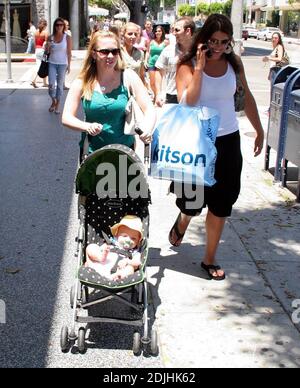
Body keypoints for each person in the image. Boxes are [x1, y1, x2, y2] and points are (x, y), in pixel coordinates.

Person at [170, 14, 264, 280]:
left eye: (224, 42)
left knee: (221, 204)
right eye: (213, 41)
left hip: (228, 140)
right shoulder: (186, 65)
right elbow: (187, 103)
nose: (219, 47)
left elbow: (247, 98)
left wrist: (259, 129)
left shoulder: (233, 63)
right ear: (203, 39)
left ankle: (209, 259)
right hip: (197, 142)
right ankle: (184, 218)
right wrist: (199, 69)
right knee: (192, 203)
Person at [62, 31, 155, 158]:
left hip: (124, 153)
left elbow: (149, 109)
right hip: (91, 154)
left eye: (115, 51)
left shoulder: (128, 76)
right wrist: (87, 126)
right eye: (104, 52)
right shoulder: (82, 82)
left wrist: (147, 128)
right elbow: (66, 117)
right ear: (94, 54)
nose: (110, 56)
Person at [85, 215, 143, 280]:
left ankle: (116, 277)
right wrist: (101, 251)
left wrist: (128, 262)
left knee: (130, 269)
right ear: (117, 235)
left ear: (138, 241)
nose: (128, 240)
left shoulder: (134, 252)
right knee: (91, 247)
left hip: (117, 271)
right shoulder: (111, 243)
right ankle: (100, 258)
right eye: (124, 236)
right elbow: (100, 249)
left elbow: (138, 262)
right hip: (100, 265)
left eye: (133, 238)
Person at [155, 17, 195, 106]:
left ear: (188, 31)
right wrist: (158, 93)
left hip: (194, 98)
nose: (173, 33)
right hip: (171, 98)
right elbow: (159, 71)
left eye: (177, 30)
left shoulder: (200, 52)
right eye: (173, 30)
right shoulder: (168, 50)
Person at [45, 17, 72, 114]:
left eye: (61, 25)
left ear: (64, 26)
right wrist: (47, 48)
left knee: (60, 86)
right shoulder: (50, 37)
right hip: (52, 63)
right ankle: (54, 101)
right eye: (57, 25)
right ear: (54, 26)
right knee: (51, 85)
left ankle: (57, 105)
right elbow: (46, 52)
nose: (59, 27)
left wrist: (69, 65)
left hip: (62, 64)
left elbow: (69, 53)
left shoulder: (67, 37)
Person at [145, 25, 167, 100]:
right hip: (152, 63)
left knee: (159, 82)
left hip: (161, 65)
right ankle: (155, 95)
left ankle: (158, 97)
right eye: (156, 31)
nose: (157, 32)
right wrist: (145, 61)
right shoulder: (151, 41)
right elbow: (148, 52)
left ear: (162, 32)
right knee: (152, 82)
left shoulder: (166, 42)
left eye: (159, 31)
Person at [31, 19, 49, 88]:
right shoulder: (45, 33)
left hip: (37, 50)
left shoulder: (35, 32)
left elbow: (35, 42)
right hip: (42, 50)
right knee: (44, 66)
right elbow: (47, 43)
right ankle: (34, 80)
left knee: (39, 66)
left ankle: (44, 83)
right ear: (45, 25)